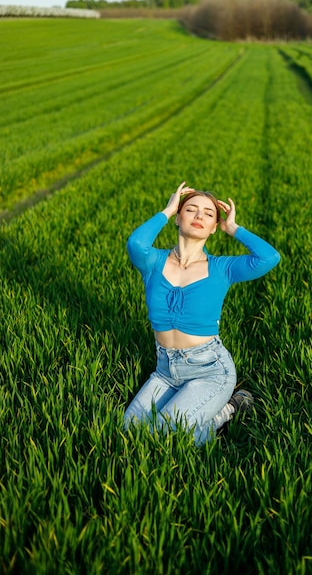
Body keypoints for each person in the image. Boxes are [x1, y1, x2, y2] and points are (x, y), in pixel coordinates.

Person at [123, 181, 280, 445]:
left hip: (209, 369)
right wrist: (167, 208)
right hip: (165, 370)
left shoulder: (222, 268)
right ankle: (212, 415)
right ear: (178, 217)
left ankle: (224, 412)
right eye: (191, 210)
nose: (199, 216)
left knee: (163, 438)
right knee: (129, 431)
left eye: (209, 214)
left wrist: (234, 228)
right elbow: (136, 243)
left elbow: (269, 257)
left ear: (214, 227)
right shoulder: (153, 262)